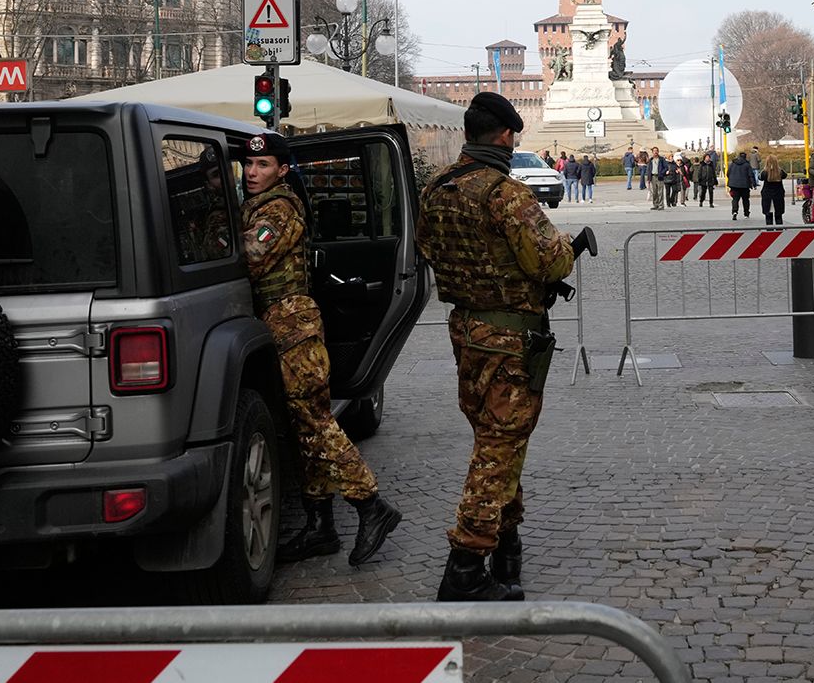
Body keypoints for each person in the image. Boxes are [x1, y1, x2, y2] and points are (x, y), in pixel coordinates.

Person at [416, 91, 594, 602]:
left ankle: (505, 542)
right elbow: (551, 262)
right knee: (498, 446)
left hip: (466, 332)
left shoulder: (437, 189)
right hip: (511, 337)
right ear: (507, 137)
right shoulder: (505, 195)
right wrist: (565, 249)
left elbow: (428, 248)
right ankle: (467, 564)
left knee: (498, 437)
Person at [237, 132, 400, 567]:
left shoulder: (280, 209)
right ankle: (319, 524)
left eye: (263, 165)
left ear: (282, 170)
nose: (253, 173)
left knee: (316, 424)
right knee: (302, 428)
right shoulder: (256, 206)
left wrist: (215, 237)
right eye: (249, 166)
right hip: (279, 327)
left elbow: (251, 255)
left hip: (294, 330)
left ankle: (371, 506)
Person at [726, 151, 754, 220]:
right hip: (745, 185)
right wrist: (753, 184)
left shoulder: (732, 164)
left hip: (734, 185)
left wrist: (732, 180)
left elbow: (728, 173)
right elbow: (751, 175)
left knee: (735, 199)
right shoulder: (747, 165)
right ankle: (746, 213)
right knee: (745, 200)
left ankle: (735, 211)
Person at [760, 156, 786, 225]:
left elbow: (760, 177)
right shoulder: (780, 172)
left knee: (768, 217)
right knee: (778, 217)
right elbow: (785, 175)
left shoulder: (764, 173)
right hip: (778, 196)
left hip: (768, 196)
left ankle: (769, 233)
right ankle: (780, 232)